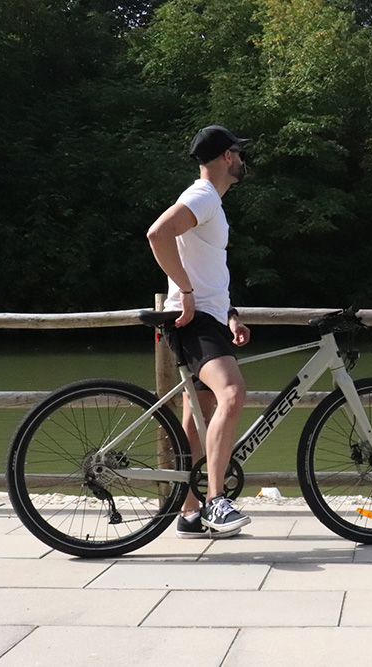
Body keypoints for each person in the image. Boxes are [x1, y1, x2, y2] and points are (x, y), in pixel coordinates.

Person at [147, 125, 254, 538]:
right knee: (233, 393)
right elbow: (158, 234)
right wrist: (186, 293)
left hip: (210, 318)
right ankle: (216, 502)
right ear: (227, 157)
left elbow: (208, 269)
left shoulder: (211, 203)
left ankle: (189, 512)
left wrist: (229, 312)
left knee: (197, 416)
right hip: (195, 322)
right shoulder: (204, 196)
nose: (243, 161)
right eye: (239, 154)